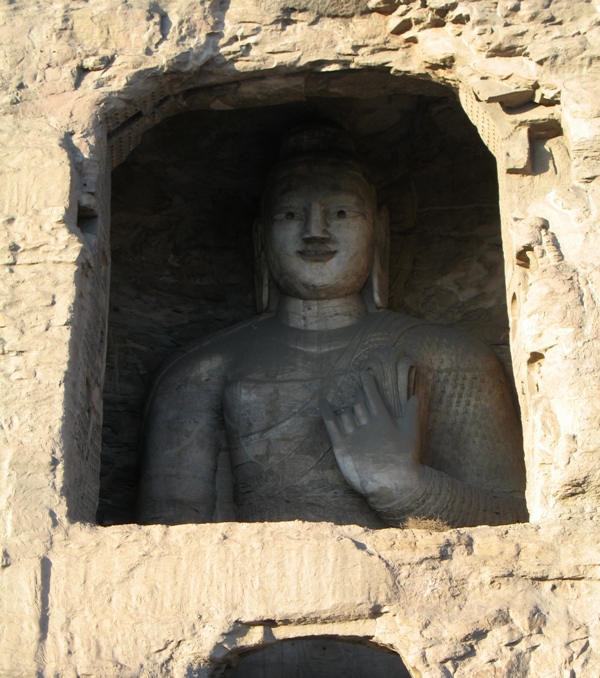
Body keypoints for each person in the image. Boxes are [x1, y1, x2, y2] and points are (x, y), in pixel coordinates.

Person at [137, 124, 527, 528]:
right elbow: (166, 546)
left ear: (379, 231)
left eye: (341, 212)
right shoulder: (199, 374)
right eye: (290, 214)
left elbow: (517, 521)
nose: (315, 232)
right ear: (260, 236)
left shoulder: (451, 358)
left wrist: (404, 486)